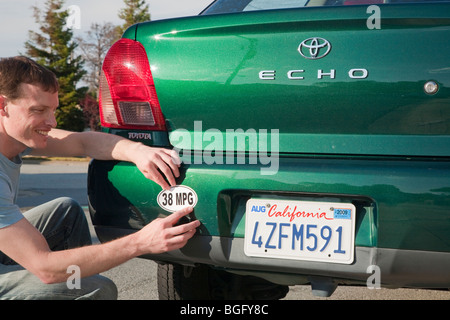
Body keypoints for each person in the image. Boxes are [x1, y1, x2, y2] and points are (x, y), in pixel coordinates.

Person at [0, 56, 200, 299]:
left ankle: (71, 288)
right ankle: (75, 290)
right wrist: (141, 241)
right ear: (3, 106)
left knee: (66, 213)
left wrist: (137, 151)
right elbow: (45, 267)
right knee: (97, 287)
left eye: (53, 110)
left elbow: (83, 141)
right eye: (39, 110)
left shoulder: (14, 137)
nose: (51, 122)